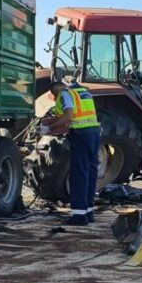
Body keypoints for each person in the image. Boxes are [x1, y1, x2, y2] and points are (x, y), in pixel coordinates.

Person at [42, 80, 101, 226]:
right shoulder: (83, 92)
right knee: (90, 172)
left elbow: (68, 117)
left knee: (79, 173)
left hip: (80, 134)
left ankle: (79, 216)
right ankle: (88, 211)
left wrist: (49, 128)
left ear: (56, 91)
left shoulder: (65, 94)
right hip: (94, 132)